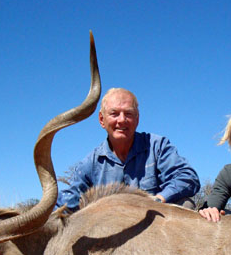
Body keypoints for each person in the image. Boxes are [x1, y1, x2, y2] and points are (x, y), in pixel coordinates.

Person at [57, 88, 200, 211]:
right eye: (114, 114)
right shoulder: (92, 162)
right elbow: (67, 201)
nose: (122, 120)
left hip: (154, 226)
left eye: (128, 114)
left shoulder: (157, 146)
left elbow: (187, 178)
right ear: (102, 120)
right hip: (111, 231)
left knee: (185, 205)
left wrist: (157, 201)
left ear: (137, 119)